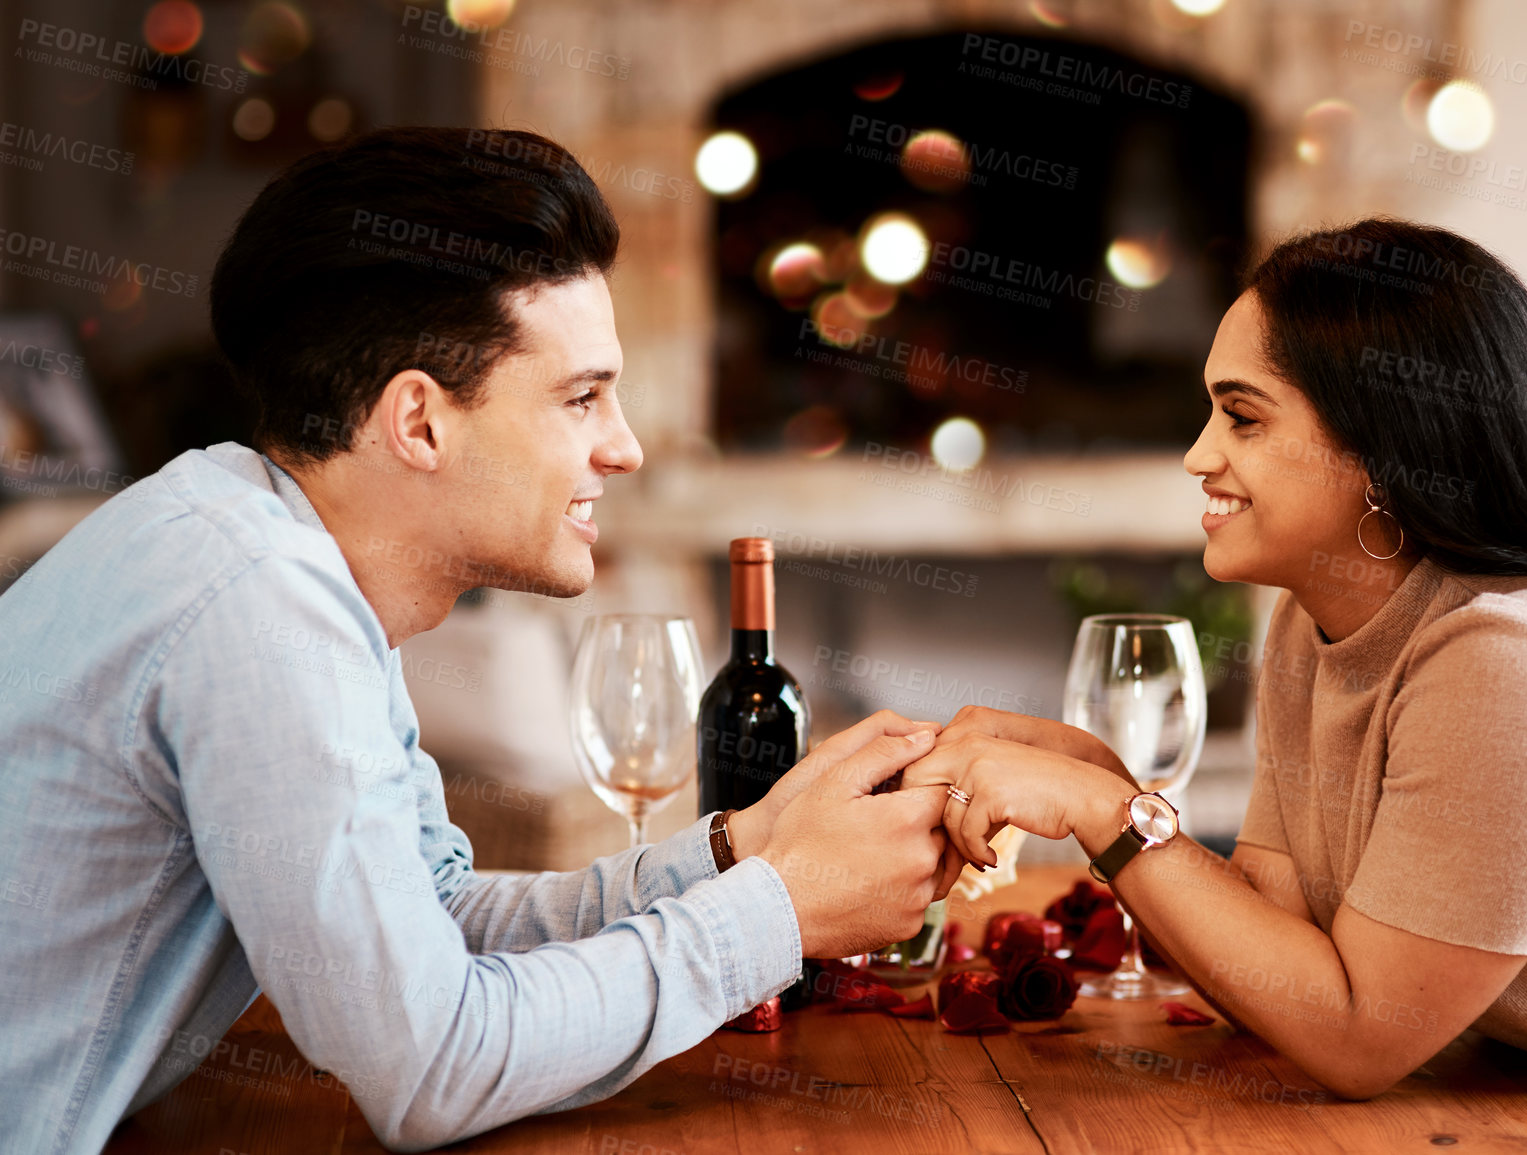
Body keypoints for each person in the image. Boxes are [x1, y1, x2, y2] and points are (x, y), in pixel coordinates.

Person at [0, 127, 961, 1155]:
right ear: (419, 423)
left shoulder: (261, 545)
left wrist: (743, 848)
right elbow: (431, 1068)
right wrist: (782, 914)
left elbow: (435, 917)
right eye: (580, 397)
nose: (624, 446)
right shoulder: (261, 605)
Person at [907, 218, 1527, 1100]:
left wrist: (1104, 808)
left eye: (1242, 417)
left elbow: (1355, 1039)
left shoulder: (1518, 659)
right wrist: (1100, 774)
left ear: (1383, 448)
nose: (1199, 454)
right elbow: (1269, 965)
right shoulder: (1312, 622)